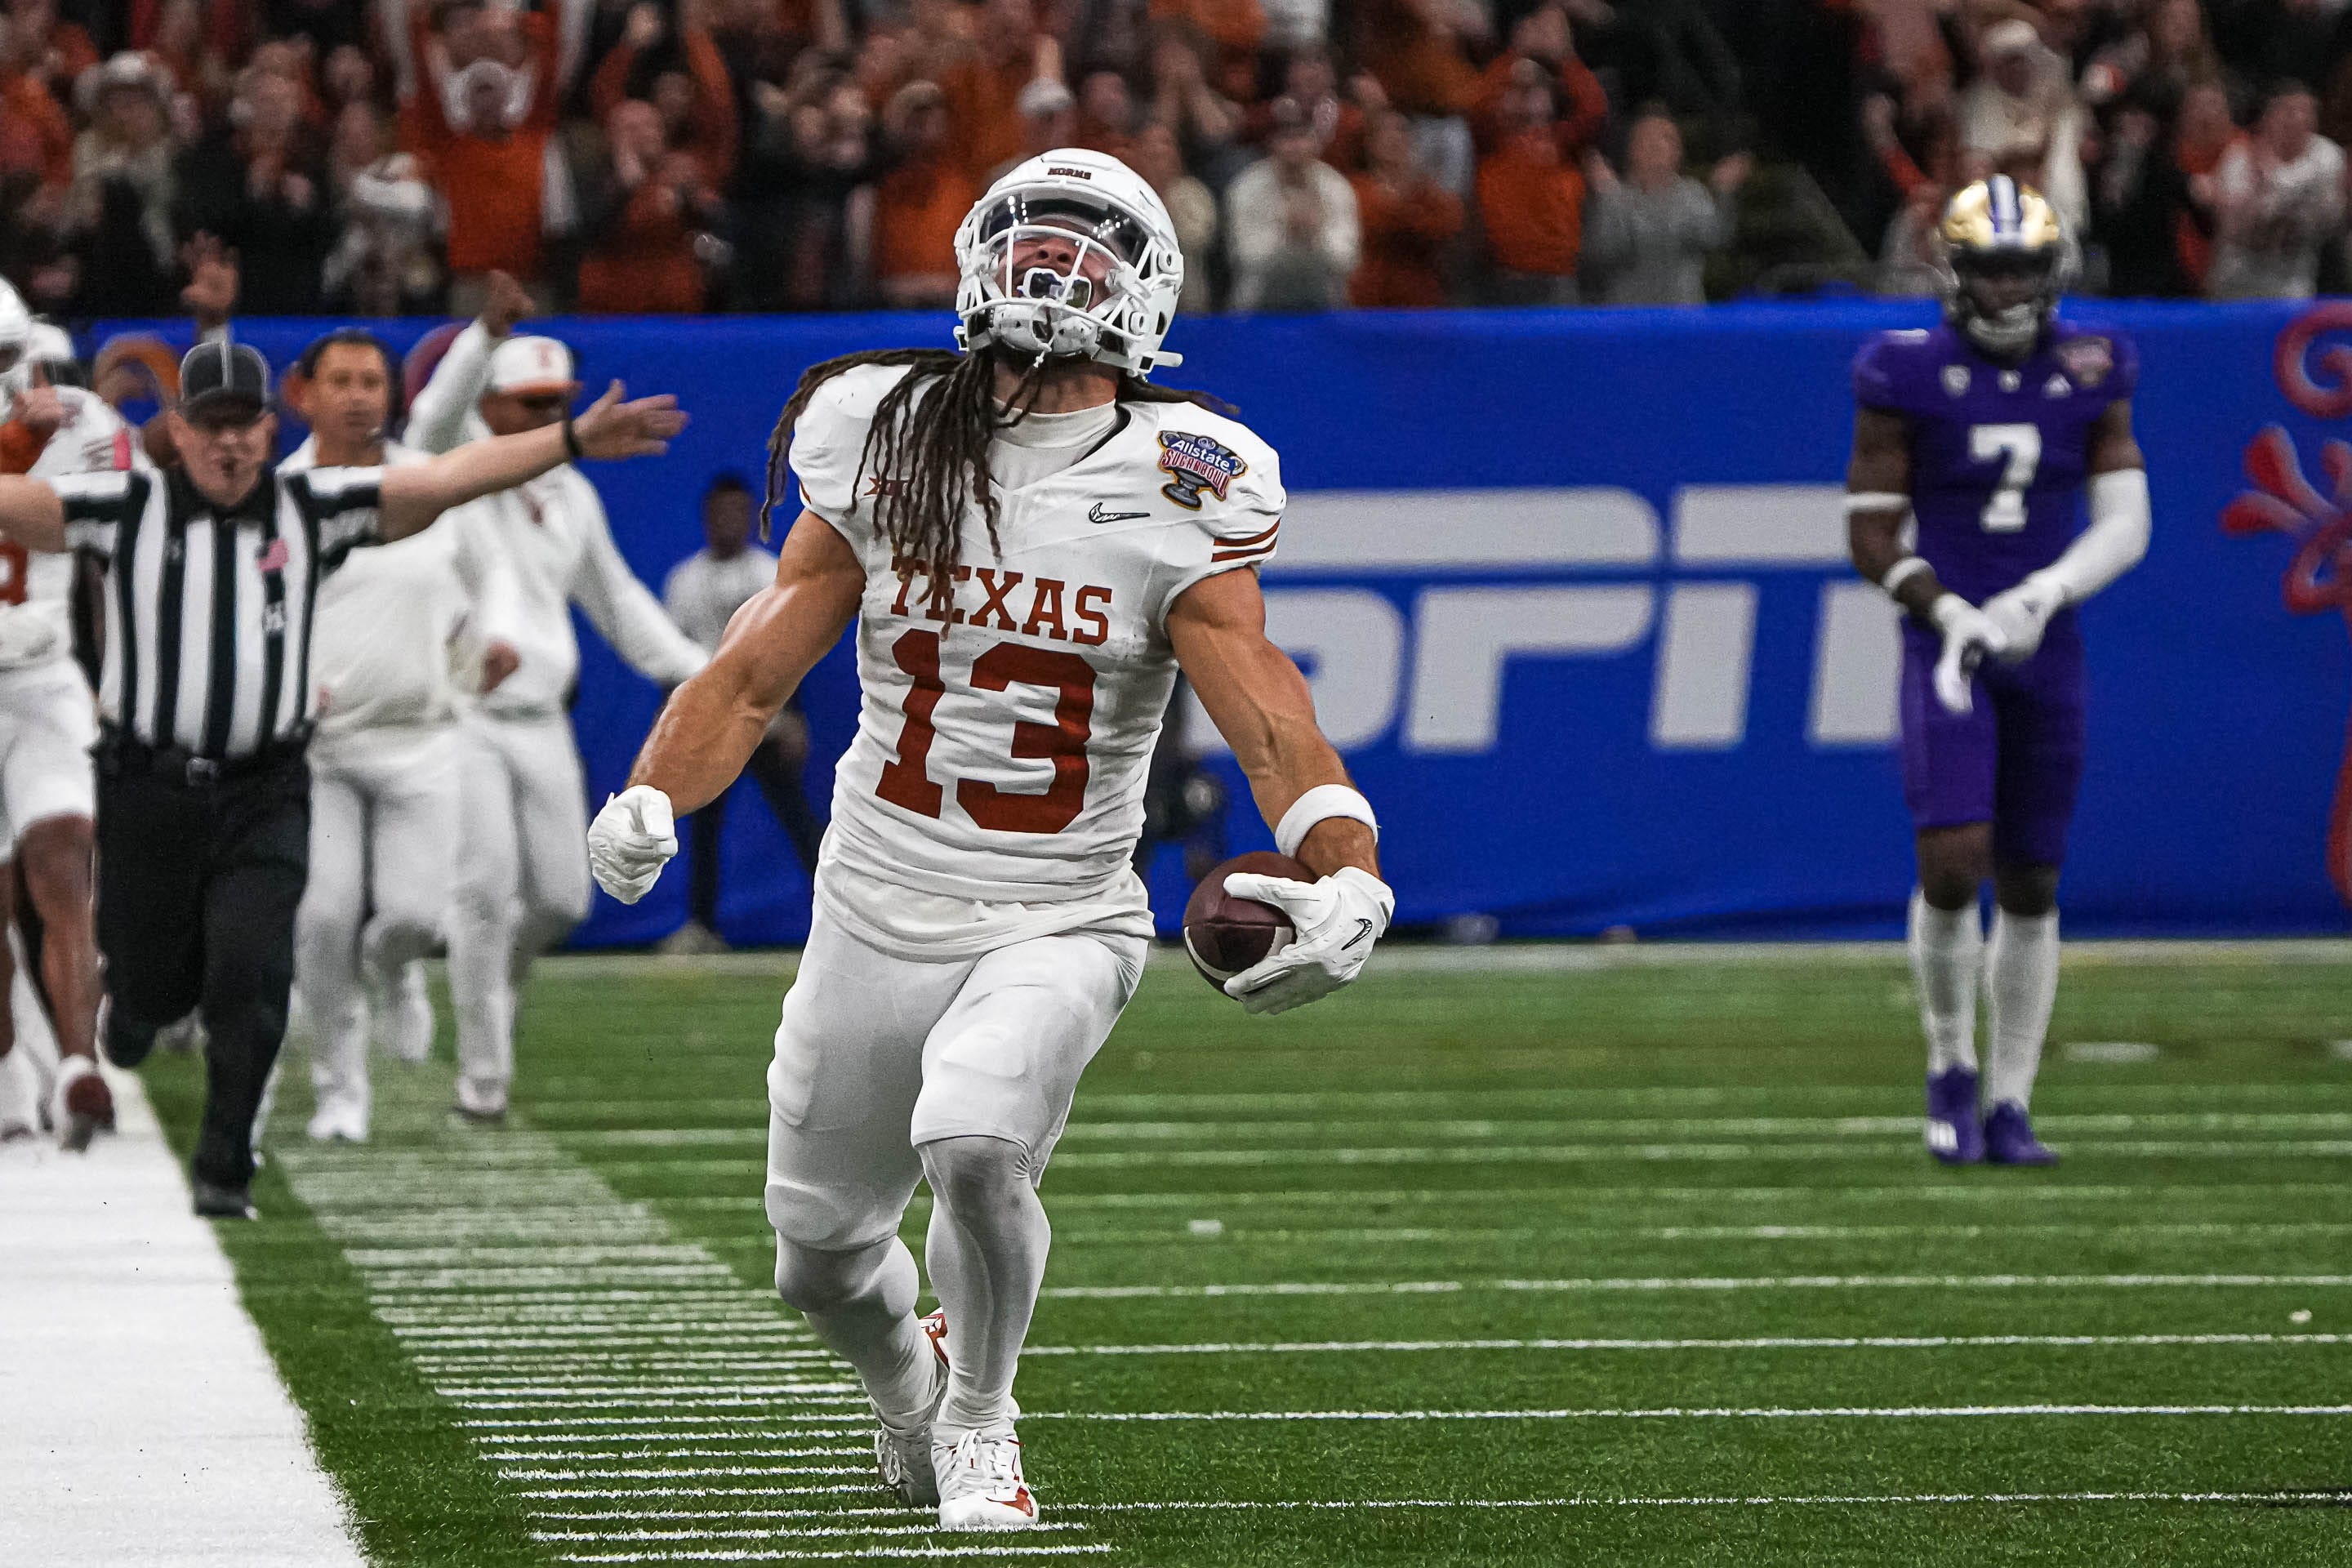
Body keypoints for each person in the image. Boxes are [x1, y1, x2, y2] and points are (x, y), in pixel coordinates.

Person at [586, 146, 1392, 1532]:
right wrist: (657, 789)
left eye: (1090, 251)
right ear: (973, 257)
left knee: (970, 1138)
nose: (1054, 271)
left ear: (1147, 291)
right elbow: (753, 667)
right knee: (819, 1260)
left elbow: (1268, 717)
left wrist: (1353, 869)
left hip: (1059, 908)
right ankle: (912, 1388)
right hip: (877, 898)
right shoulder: (883, 426)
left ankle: (981, 1419)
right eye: (1034, 240)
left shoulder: (1180, 476)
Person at [0, 336, 684, 1218]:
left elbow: (446, 479)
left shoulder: (310, 505)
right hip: (150, 784)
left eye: (244, 425)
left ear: (268, 424)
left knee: (250, 968)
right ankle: (131, 1009)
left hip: (269, 782)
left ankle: (224, 1166)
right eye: (209, 426)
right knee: (151, 982)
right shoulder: (123, 505)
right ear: (179, 430)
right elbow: (15, 501)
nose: (229, 444)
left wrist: (572, 444)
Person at [1845, 176, 2148, 1168]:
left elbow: (2127, 520)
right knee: (1953, 859)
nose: (2010, 287)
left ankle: (2013, 1101)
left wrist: (2039, 600)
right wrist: (1948, 608)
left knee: (2032, 874)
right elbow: (1870, 530)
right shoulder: (1904, 371)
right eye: (1992, 267)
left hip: (2043, 639)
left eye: (2024, 267)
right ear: (1958, 272)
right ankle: (1949, 1063)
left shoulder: (2094, 365)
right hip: (1949, 638)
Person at [405, 318, 707, 1124]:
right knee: (483, 892)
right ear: (492, 406)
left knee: (563, 900)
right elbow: (433, 420)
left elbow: (618, 600)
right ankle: (483, 1082)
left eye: (558, 403)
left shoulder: (571, 492)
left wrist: (700, 674)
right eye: (531, 403)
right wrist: (481, 337)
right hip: (464, 712)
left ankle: (489, 1006)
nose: (548, 418)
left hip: (543, 717)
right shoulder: (452, 468)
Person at [286, 316, 525, 1146]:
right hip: (316, 750)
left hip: (424, 736)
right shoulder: (276, 497)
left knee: (416, 920)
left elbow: (489, 568)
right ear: (302, 394)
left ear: (393, 395)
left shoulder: (429, 482)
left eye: (372, 383)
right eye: (340, 382)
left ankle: (393, 972)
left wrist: (494, 633)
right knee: (319, 918)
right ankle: (338, 1089)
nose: (357, 399)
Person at [0, 279, 123, 1151]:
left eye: (10, 358)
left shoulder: (76, 419)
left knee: (62, 863)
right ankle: (11, 1065)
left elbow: (112, 542)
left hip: (45, 672)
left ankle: (80, 1061)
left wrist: (124, 680)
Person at [659, 474, 823, 953]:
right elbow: (670, 660)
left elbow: (793, 652)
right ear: (707, 518)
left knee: (798, 821)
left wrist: (794, 716)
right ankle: (702, 927)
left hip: (766, 723)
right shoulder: (683, 581)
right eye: (719, 513)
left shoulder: (772, 576)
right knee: (704, 829)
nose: (728, 522)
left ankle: (839, 922)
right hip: (710, 725)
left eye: (737, 513)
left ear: (752, 518)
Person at [2206, 83, 2346, 301]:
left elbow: (2330, 219)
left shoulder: (2326, 157)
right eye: (2288, 111)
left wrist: (2278, 192)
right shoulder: (2238, 159)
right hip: (2237, 277)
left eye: (2306, 112)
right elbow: (2230, 227)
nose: (2297, 119)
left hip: (2293, 281)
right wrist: (2260, 195)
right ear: (2267, 117)